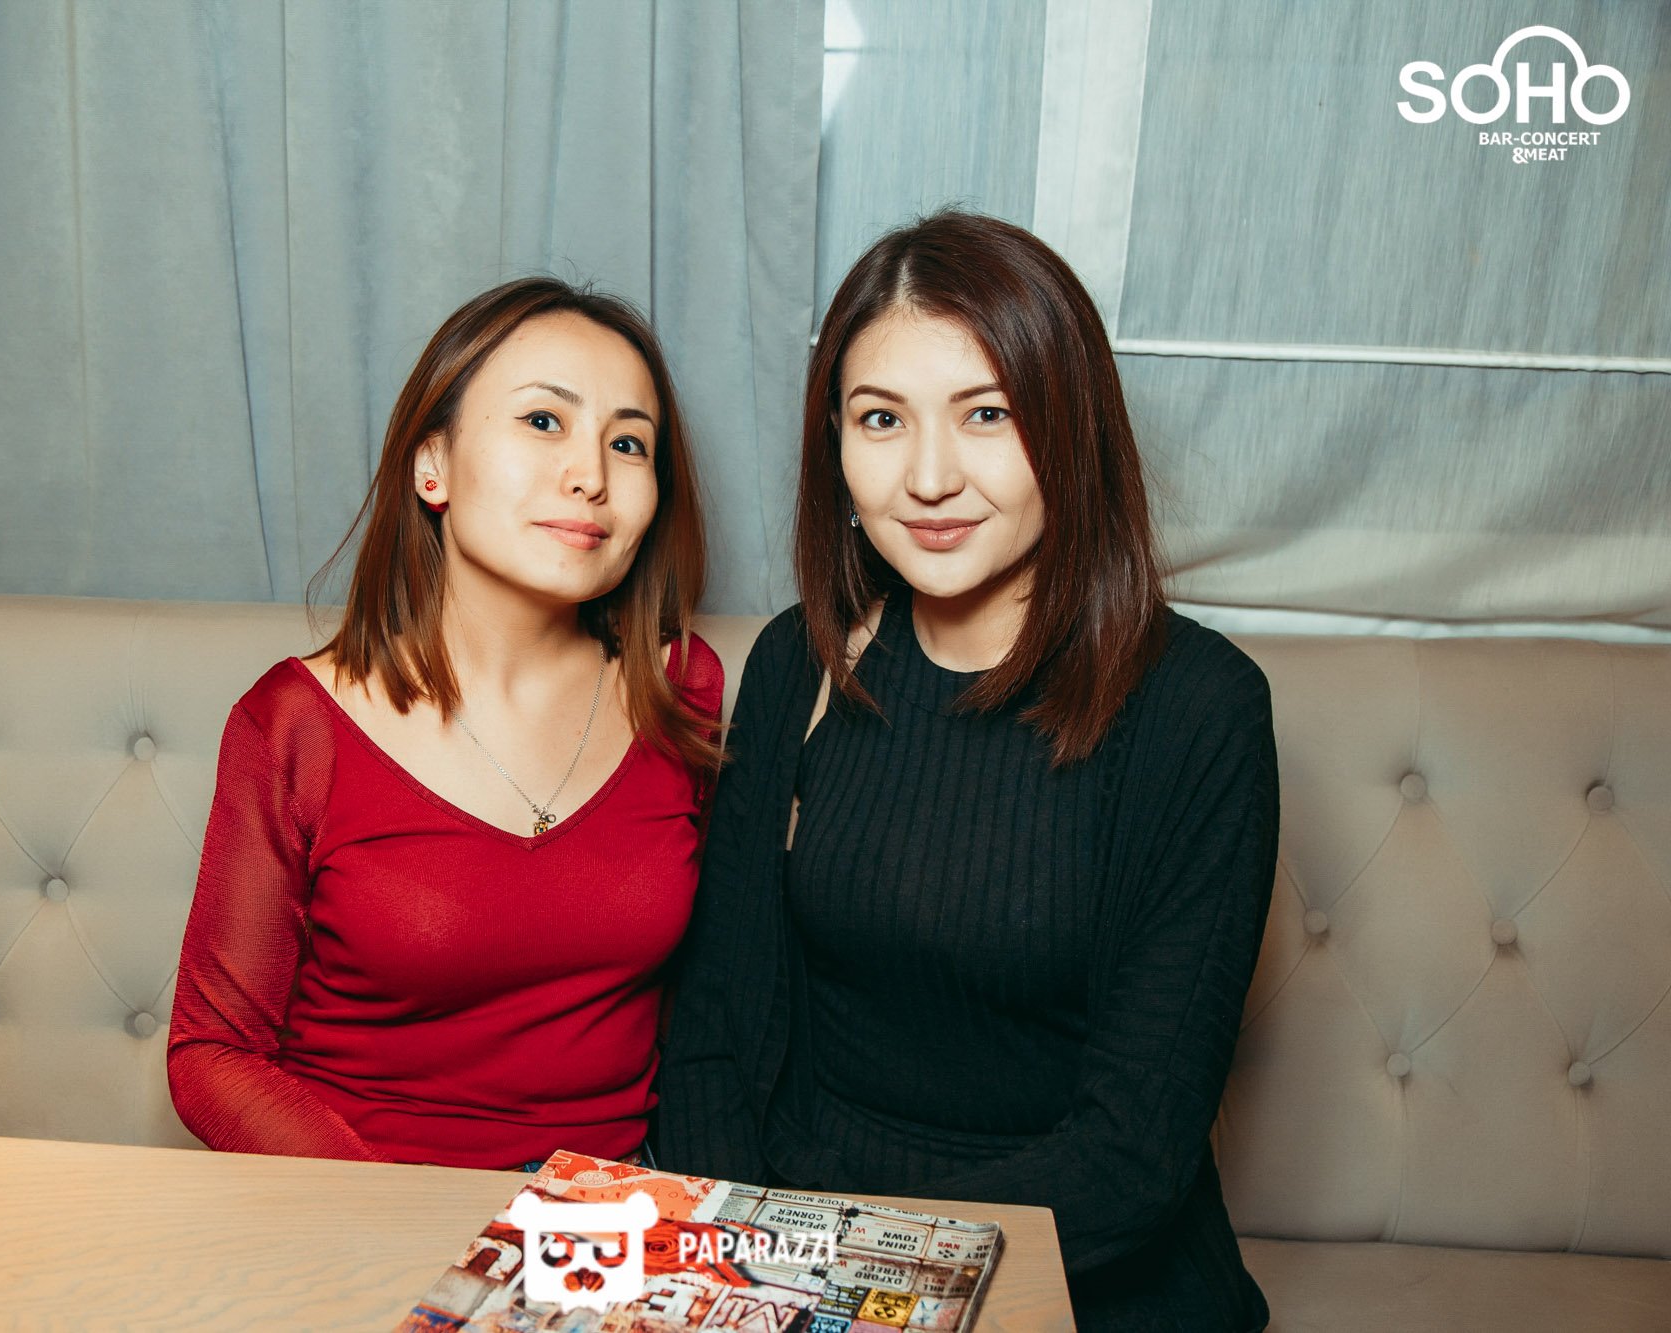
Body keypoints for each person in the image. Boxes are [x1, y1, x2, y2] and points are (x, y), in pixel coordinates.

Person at [654, 211, 1277, 1331]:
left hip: (1082, 1277)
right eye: (880, 419)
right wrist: (746, 1275)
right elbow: (712, 1036)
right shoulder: (800, 660)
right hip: (797, 1265)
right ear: (836, 448)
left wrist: (869, 1287)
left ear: (1070, 428)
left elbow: (1132, 1152)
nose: (929, 476)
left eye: (986, 414)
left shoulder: (1198, 707)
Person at [170, 277, 725, 1171]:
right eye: (543, 421)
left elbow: (719, 1012)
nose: (591, 475)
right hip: (356, 1203)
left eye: (628, 442)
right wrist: (396, 1222)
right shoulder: (296, 725)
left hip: (602, 1224)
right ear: (433, 464)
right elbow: (210, 1054)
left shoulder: (682, 690)